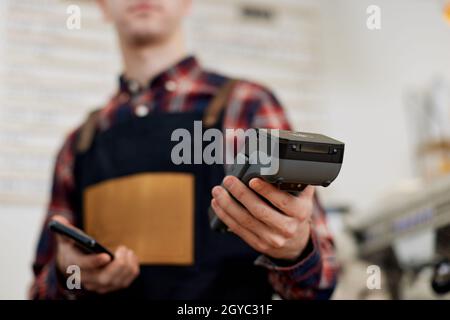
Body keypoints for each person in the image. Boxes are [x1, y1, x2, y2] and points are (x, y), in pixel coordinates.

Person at [30, 0, 338, 300]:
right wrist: (67, 274)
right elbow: (37, 291)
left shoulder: (248, 107)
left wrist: (294, 251)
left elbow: (319, 283)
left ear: (187, 3)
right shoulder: (78, 144)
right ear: (102, 5)